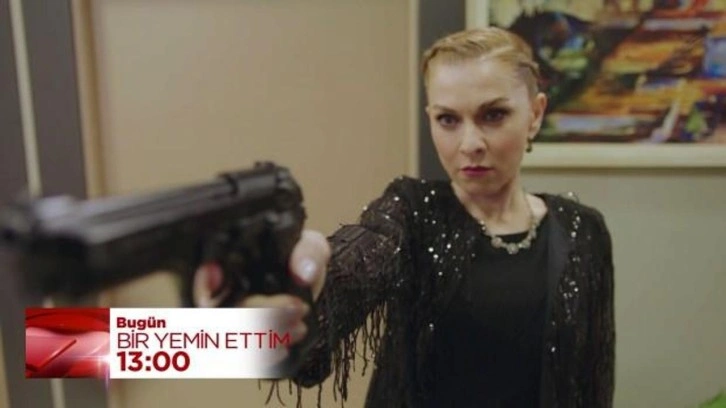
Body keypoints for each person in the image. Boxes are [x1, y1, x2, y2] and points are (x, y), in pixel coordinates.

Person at [195, 27, 615, 407]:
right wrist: (297, 286)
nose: (469, 143)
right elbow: (357, 263)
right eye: (448, 120)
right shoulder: (413, 211)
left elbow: (593, 380)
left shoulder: (582, 231)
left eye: (493, 115)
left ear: (535, 115)